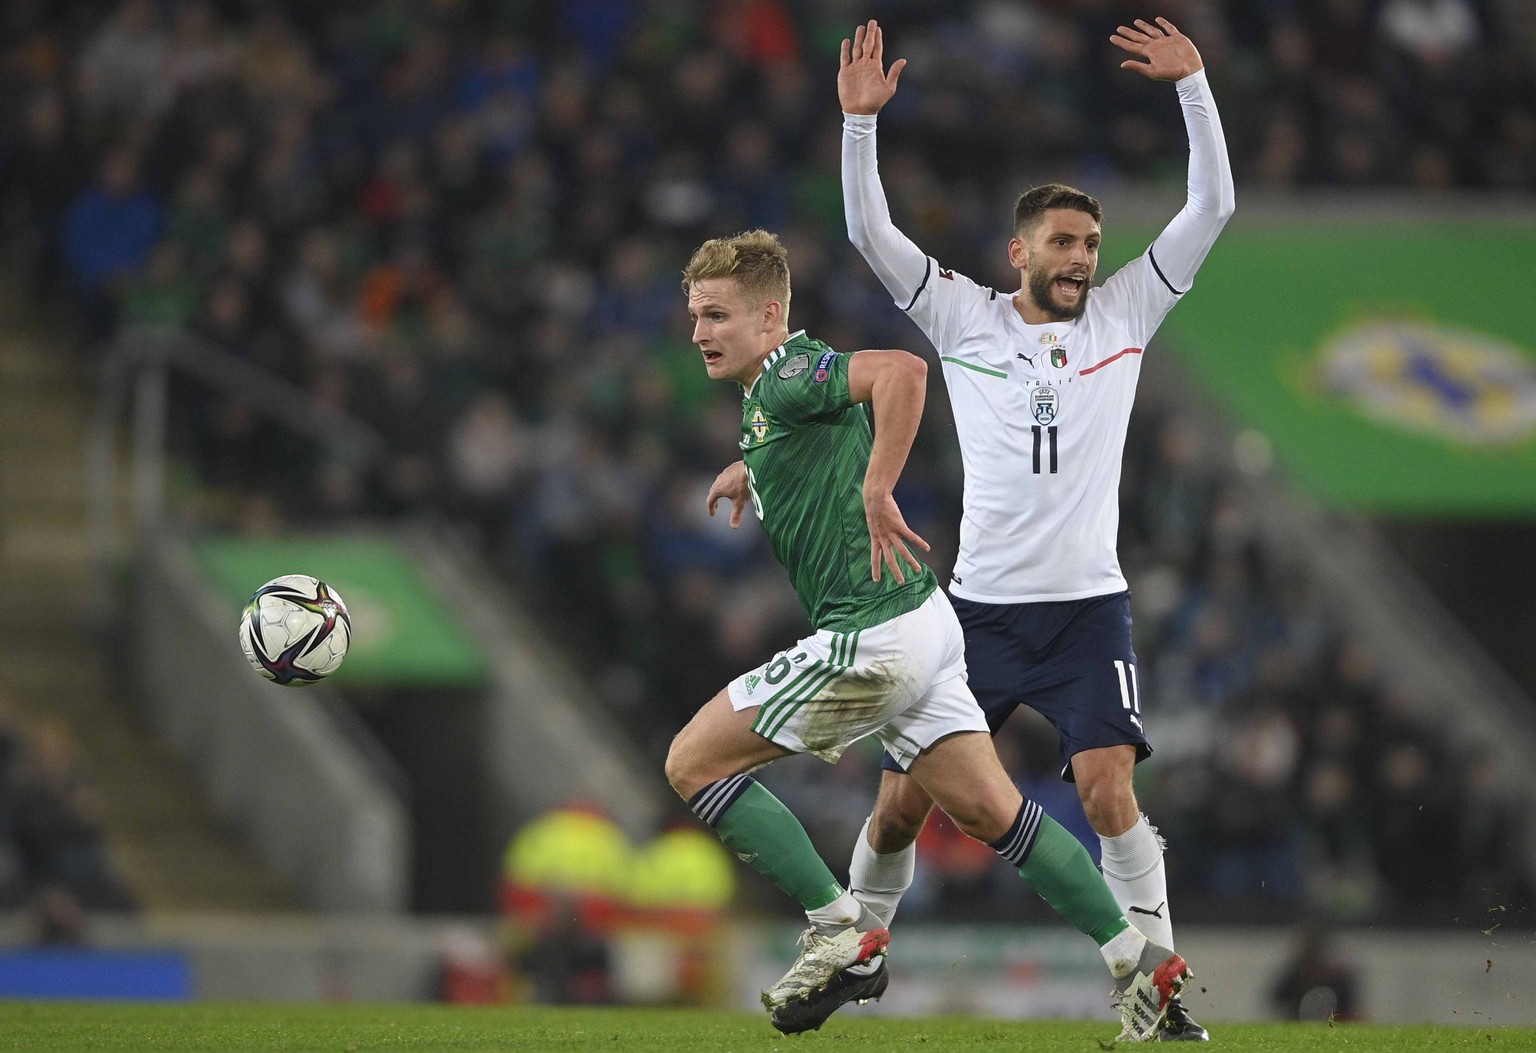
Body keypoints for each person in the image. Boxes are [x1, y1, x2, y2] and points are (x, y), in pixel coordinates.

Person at [668, 228, 1190, 1041]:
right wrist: (755, 466)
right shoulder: (768, 398)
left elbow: (903, 371)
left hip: (873, 637)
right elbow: (811, 432)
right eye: (696, 315)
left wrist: (881, 484)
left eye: (717, 315)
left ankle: (842, 931)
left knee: (692, 761)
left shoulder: (790, 370)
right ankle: (1137, 960)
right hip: (930, 627)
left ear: (771, 316)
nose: (700, 331)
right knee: (993, 812)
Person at [829, 15, 1235, 1040]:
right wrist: (860, 129)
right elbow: (872, 240)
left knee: (1108, 794)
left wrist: (1194, 87)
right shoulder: (967, 320)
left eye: (1092, 244)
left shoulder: (1127, 315)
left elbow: (1214, 204)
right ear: (1021, 251)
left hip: (1089, 610)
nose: (1083, 259)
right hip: (976, 618)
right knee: (901, 809)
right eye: (1064, 243)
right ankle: (850, 949)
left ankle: (1152, 993)